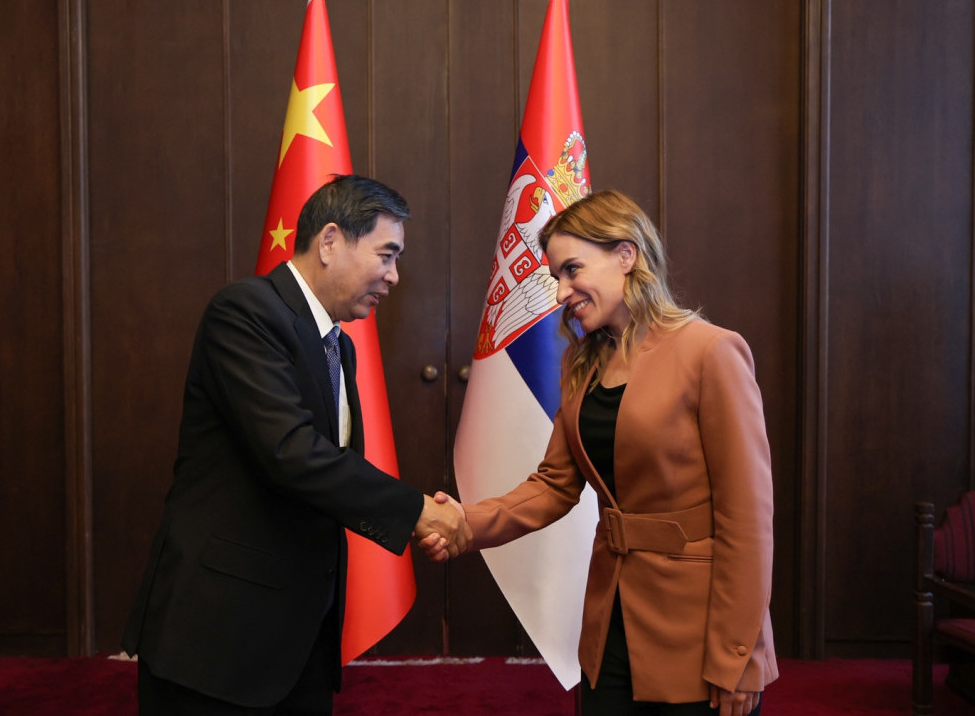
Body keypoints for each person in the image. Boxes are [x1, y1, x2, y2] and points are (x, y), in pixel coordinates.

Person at [122, 174, 470, 716]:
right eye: (386, 255)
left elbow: (334, 474)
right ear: (330, 241)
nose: (394, 275)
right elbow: (291, 452)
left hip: (299, 638)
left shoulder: (337, 345)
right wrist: (417, 511)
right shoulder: (246, 312)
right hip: (218, 638)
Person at [424, 189, 777, 716]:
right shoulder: (582, 364)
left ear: (626, 255)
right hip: (609, 621)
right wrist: (464, 522)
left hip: (697, 630)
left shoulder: (712, 351)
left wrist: (739, 656)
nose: (561, 291)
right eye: (556, 277)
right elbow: (553, 485)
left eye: (572, 270)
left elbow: (747, 521)